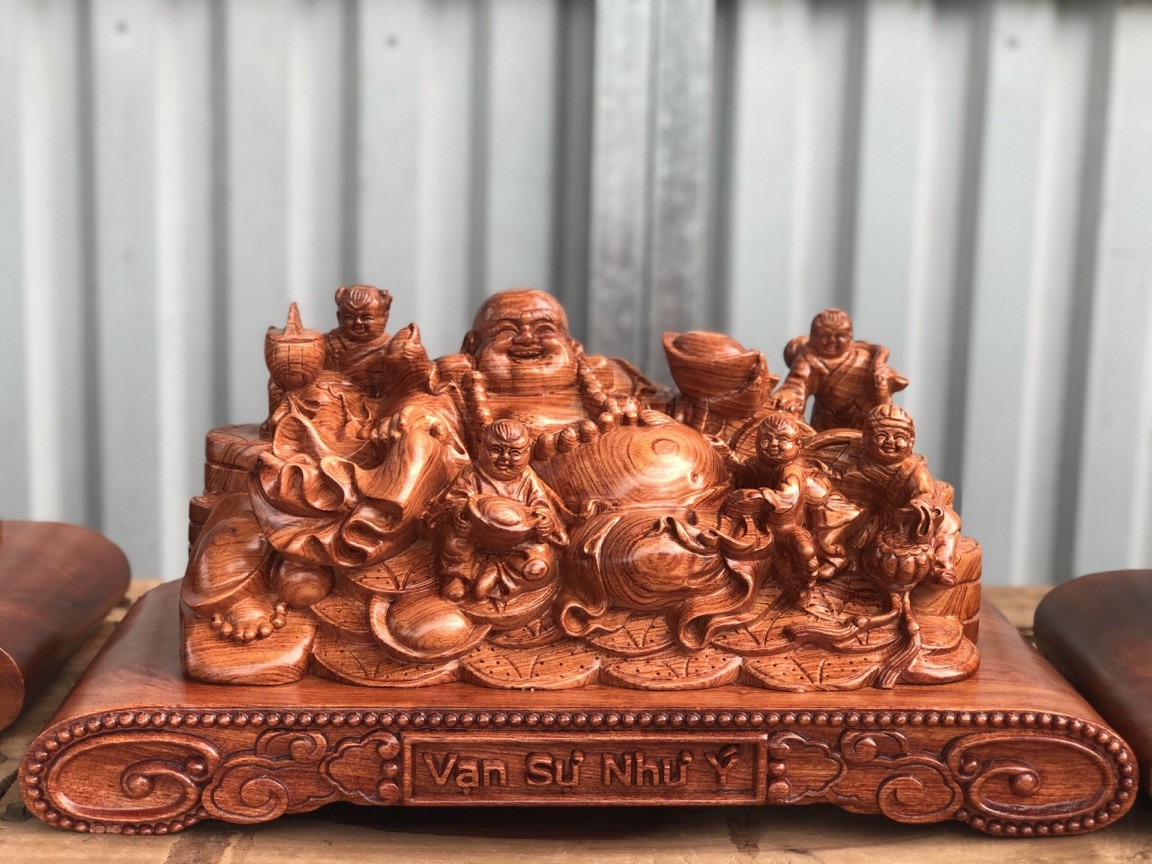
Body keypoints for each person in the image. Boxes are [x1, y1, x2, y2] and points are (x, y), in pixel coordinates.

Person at [431, 419, 568, 601]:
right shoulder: (472, 473)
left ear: (527, 453)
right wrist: (459, 513)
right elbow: (453, 501)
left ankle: (496, 573)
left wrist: (544, 523)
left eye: (514, 453)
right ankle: (457, 575)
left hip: (518, 542)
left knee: (540, 567)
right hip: (478, 537)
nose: (504, 458)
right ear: (482, 449)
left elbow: (541, 508)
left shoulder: (527, 478)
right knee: (454, 539)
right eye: (496, 450)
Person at [727, 412, 858, 602]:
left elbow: (789, 496)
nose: (773, 444)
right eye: (765, 439)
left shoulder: (792, 469)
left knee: (823, 543)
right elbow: (745, 468)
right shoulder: (760, 462)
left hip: (824, 511)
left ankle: (833, 563)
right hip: (793, 516)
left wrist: (760, 495)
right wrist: (729, 457)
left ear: (798, 446)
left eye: (782, 440)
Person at [773, 308, 907, 431]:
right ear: (813, 337)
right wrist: (788, 396)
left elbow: (891, 387)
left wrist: (881, 380)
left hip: (863, 421)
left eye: (839, 336)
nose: (831, 340)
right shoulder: (809, 359)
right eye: (824, 335)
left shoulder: (864, 359)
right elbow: (796, 384)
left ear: (849, 337)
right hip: (826, 423)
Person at [323, 285, 394, 395]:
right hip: (334, 398)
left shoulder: (392, 348)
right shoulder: (326, 343)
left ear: (385, 317)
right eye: (350, 317)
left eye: (366, 318)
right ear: (339, 317)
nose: (358, 322)